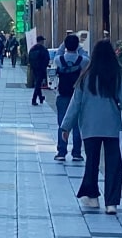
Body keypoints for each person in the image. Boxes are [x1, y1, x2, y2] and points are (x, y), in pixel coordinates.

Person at [60, 38, 122, 214]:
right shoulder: (117, 76)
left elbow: (75, 103)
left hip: (90, 128)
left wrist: (66, 127)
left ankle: (92, 197)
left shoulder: (86, 77)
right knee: (114, 165)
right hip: (113, 127)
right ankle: (111, 203)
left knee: (91, 162)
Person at [52, 33, 88, 161]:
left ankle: (61, 152)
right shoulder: (82, 61)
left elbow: (58, 53)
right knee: (77, 124)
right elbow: (85, 55)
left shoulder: (59, 60)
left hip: (62, 95)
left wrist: (63, 43)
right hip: (77, 95)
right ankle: (77, 152)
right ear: (77, 45)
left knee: (62, 123)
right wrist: (78, 47)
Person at [28, 35, 52, 105]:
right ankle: (34, 99)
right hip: (41, 69)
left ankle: (41, 97)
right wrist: (45, 66)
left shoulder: (32, 48)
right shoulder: (43, 49)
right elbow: (47, 59)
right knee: (38, 84)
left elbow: (29, 58)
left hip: (34, 68)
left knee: (37, 83)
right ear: (41, 41)